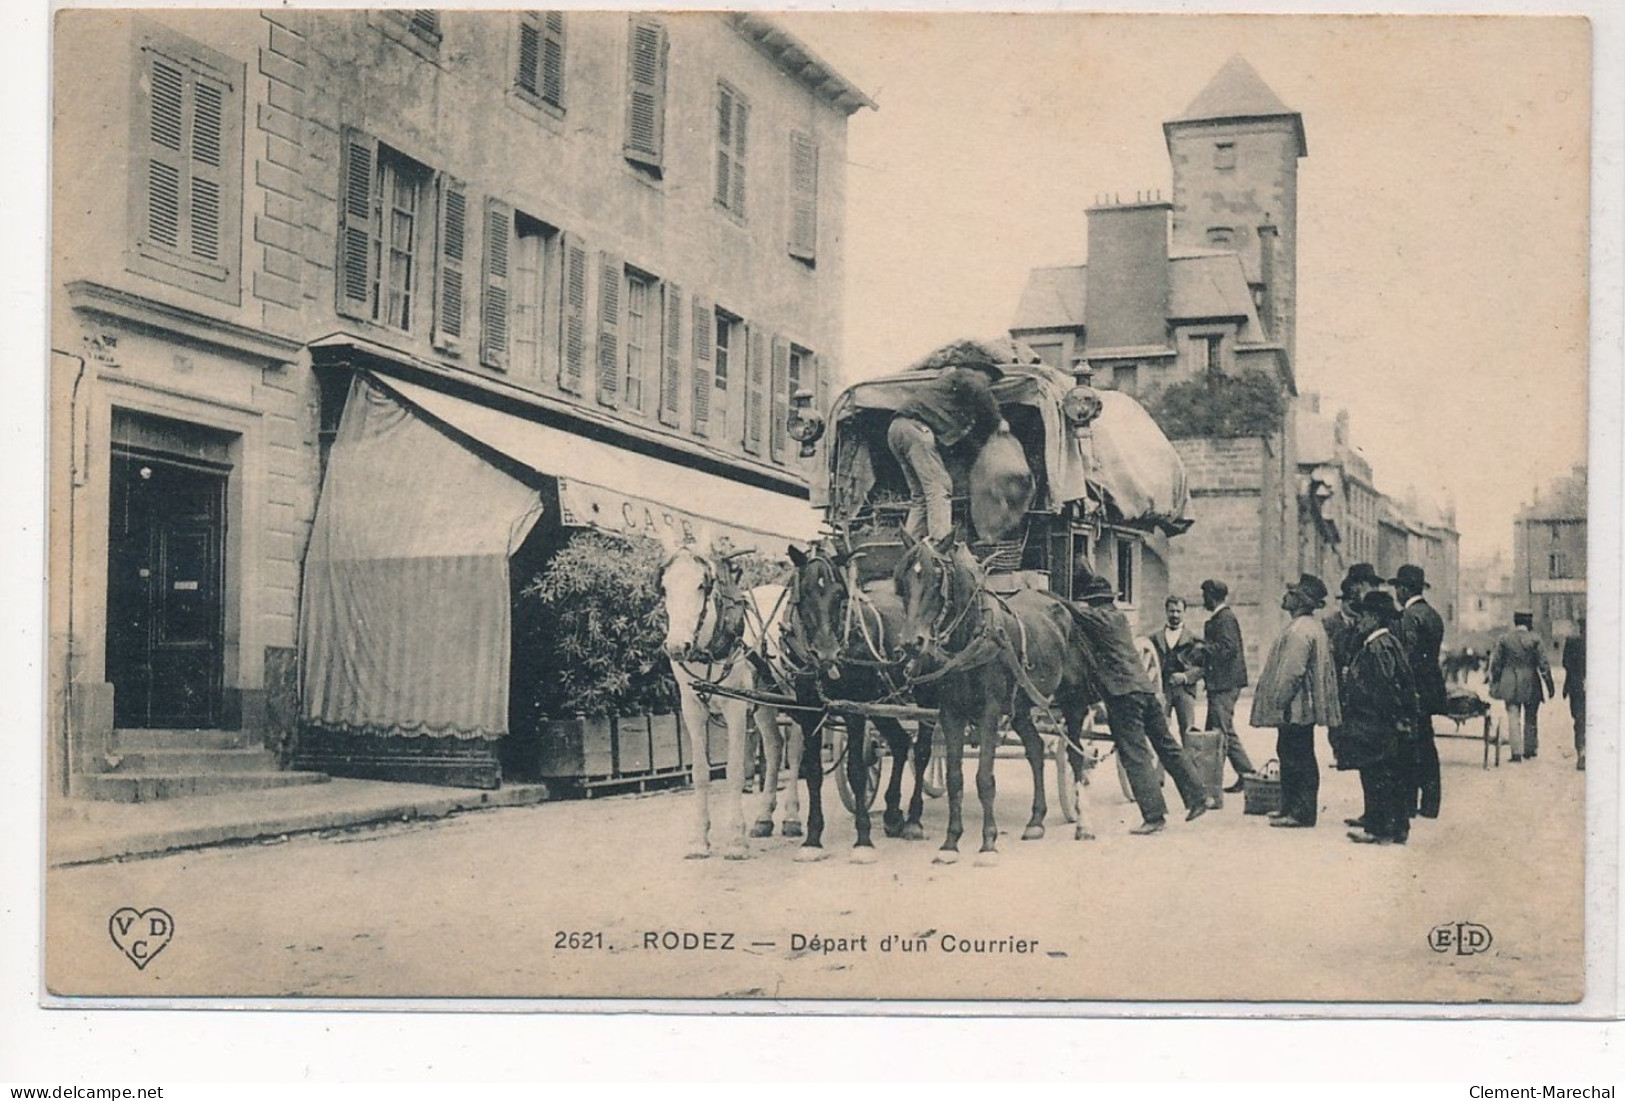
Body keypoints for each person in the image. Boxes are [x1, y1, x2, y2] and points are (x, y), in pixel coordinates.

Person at [1070, 573, 1212, 835]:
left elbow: (1070, 610)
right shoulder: (1119, 618)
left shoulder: (1098, 617)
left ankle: (1154, 816)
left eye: (1091, 603)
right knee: (1167, 744)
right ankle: (1199, 798)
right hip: (1145, 689)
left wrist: (1041, 593)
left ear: (1094, 602)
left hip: (1123, 695)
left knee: (1135, 756)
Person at [886, 349, 1007, 543]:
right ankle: (940, 547)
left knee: (920, 496)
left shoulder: (949, 393)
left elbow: (964, 439)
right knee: (940, 487)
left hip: (897, 429)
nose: (989, 383)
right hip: (916, 429)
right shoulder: (969, 376)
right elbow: (978, 388)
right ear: (981, 371)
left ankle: (910, 547)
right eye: (990, 379)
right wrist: (998, 421)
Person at [1249, 573, 1342, 828]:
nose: (1285, 596)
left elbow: (1293, 671)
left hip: (1296, 707)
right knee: (1292, 752)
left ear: (1300, 601)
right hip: (1299, 706)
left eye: (1291, 593)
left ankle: (1300, 812)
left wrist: (1278, 701)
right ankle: (1290, 807)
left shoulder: (1300, 630)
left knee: (1296, 755)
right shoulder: (1308, 626)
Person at [1331, 590, 1421, 846]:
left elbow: (1385, 688)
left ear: (1373, 618)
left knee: (1376, 776)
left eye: (1363, 616)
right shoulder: (1388, 642)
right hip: (1382, 722)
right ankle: (1395, 827)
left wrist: (1388, 718)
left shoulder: (1377, 646)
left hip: (1374, 723)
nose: (1358, 621)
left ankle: (1380, 828)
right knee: (1389, 775)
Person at [1324, 563, 1382, 831]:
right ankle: (1372, 814)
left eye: (1358, 587)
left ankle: (1381, 819)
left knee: (1378, 762)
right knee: (1369, 761)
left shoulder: (1378, 622)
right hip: (1361, 698)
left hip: (1373, 703)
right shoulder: (1352, 621)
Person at [1392, 564, 1448, 818]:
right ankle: (1430, 802)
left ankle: (1408, 801)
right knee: (1426, 743)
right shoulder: (1433, 614)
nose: (1395, 593)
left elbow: (1409, 656)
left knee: (1408, 746)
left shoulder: (1408, 617)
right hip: (1431, 688)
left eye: (1397, 588)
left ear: (1404, 589)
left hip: (1413, 689)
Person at [1199, 578, 1258, 792]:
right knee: (1223, 729)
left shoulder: (1225, 618)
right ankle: (1247, 774)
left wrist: (1203, 648)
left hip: (1225, 683)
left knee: (1219, 732)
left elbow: (1227, 648)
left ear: (1213, 596)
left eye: (1205, 595)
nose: (1203, 599)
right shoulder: (1221, 617)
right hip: (1222, 683)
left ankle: (1211, 783)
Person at [1489, 611, 1555, 763]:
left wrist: (1496, 680)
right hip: (1531, 681)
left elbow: (1496, 663)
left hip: (1510, 681)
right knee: (1531, 716)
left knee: (1513, 716)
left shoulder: (1504, 639)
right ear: (1529, 622)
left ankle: (1516, 752)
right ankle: (1530, 749)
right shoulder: (1535, 639)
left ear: (1515, 621)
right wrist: (1549, 684)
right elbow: (1543, 664)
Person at [1149, 594, 1204, 736]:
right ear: (1166, 612)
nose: (1175, 615)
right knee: (1160, 729)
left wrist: (1185, 676)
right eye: (1171, 611)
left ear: (1184, 612)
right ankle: (1162, 759)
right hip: (1162, 689)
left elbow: (1202, 667)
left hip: (1185, 690)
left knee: (1188, 730)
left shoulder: (1194, 639)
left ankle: (1188, 758)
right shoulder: (1154, 638)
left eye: (1178, 611)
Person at [1562, 618, 1586, 771]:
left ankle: (1582, 752)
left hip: (1576, 685)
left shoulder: (1572, 642)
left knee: (1579, 719)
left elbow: (1566, 664)